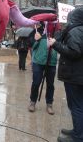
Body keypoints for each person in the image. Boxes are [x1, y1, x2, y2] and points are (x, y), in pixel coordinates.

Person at [48, 7, 83, 142]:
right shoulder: (79, 30)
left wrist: (56, 44)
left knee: (76, 106)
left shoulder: (75, 31)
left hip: (75, 76)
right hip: (78, 75)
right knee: (78, 105)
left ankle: (78, 137)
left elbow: (74, 52)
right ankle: (77, 131)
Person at [28, 22, 57, 115]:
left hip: (51, 62)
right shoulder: (37, 31)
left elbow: (60, 45)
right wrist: (36, 40)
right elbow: (30, 44)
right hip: (38, 61)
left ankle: (49, 104)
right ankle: (32, 102)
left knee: (50, 84)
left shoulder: (56, 32)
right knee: (36, 83)